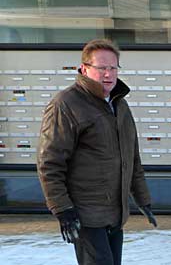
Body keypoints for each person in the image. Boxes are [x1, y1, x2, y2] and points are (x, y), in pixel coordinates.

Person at [37, 39, 156, 265]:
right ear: (84, 69)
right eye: (101, 68)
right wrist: (62, 209)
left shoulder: (119, 105)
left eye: (113, 68)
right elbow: (49, 163)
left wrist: (143, 199)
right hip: (85, 215)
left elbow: (132, 158)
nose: (108, 74)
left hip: (114, 213)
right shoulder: (66, 104)